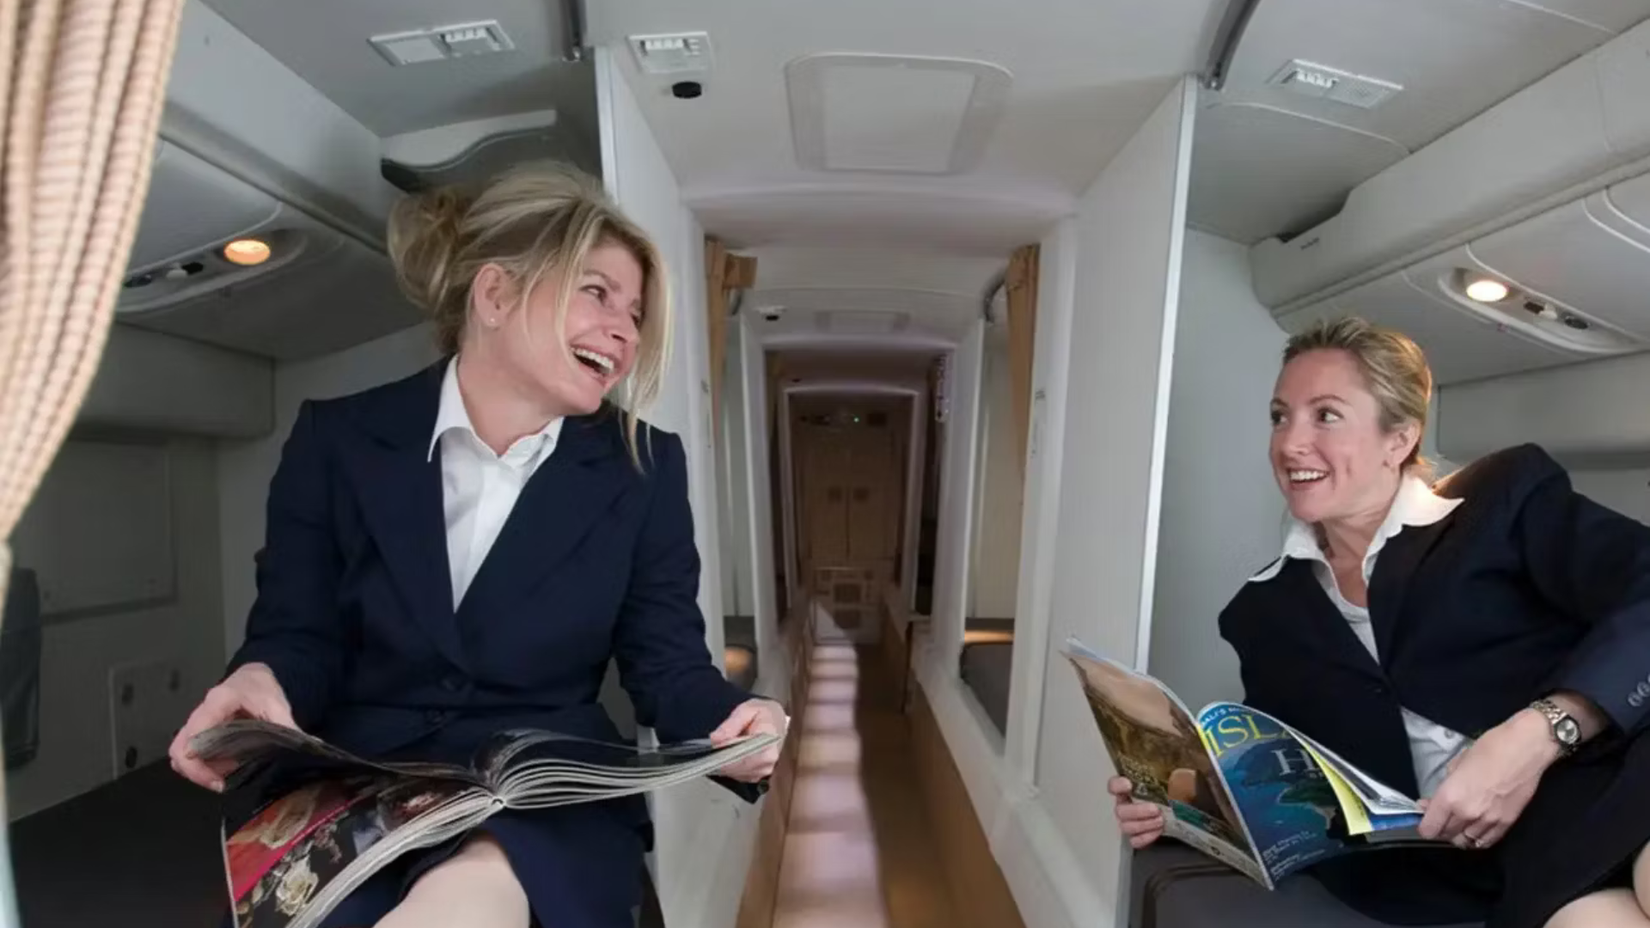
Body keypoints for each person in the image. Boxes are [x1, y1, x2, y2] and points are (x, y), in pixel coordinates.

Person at [165, 161, 788, 928]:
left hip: (539, 788)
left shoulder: (645, 468)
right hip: (359, 778)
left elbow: (667, 668)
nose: (625, 330)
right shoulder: (337, 439)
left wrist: (734, 719)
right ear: (494, 294)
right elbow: (298, 632)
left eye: (635, 311)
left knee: (476, 891)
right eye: (597, 292)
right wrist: (259, 681)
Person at [1109, 316, 1650, 928]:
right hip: (1516, 862)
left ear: (1399, 439)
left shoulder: (1501, 504)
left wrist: (1536, 734)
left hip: (1621, 773)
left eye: (1326, 415)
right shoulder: (1262, 613)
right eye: (1279, 416)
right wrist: (1183, 804)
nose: (1290, 443)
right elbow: (1291, 777)